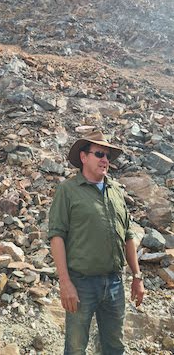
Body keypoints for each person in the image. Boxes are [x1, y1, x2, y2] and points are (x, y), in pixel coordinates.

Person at [48, 130, 144, 355]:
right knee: (75, 348)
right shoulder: (68, 191)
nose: (105, 160)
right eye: (99, 153)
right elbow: (56, 236)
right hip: (81, 284)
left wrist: (137, 276)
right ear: (83, 157)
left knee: (115, 346)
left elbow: (128, 235)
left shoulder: (116, 191)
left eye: (108, 156)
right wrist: (65, 282)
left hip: (114, 283)